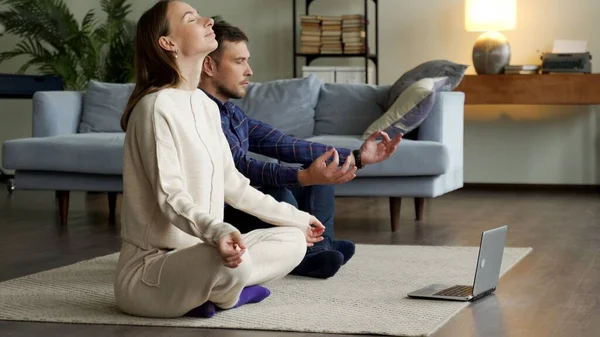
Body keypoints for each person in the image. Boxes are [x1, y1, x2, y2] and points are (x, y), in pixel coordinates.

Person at [114, 0, 327, 320]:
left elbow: (235, 187)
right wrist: (219, 232)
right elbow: (170, 198)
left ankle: (212, 293)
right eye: (191, 18)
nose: (207, 20)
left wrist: (296, 217)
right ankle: (228, 296)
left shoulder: (205, 105)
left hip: (203, 252)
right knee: (230, 261)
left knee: (293, 240)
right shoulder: (155, 107)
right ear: (167, 42)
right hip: (151, 272)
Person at [199, 19, 402, 279]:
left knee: (321, 174)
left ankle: (320, 243)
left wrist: (355, 157)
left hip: (244, 202)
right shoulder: (199, 112)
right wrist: (300, 177)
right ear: (209, 65)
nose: (249, 70)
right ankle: (312, 253)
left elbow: (283, 144)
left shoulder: (233, 113)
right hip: (224, 210)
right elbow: (240, 168)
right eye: (239, 61)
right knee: (278, 189)